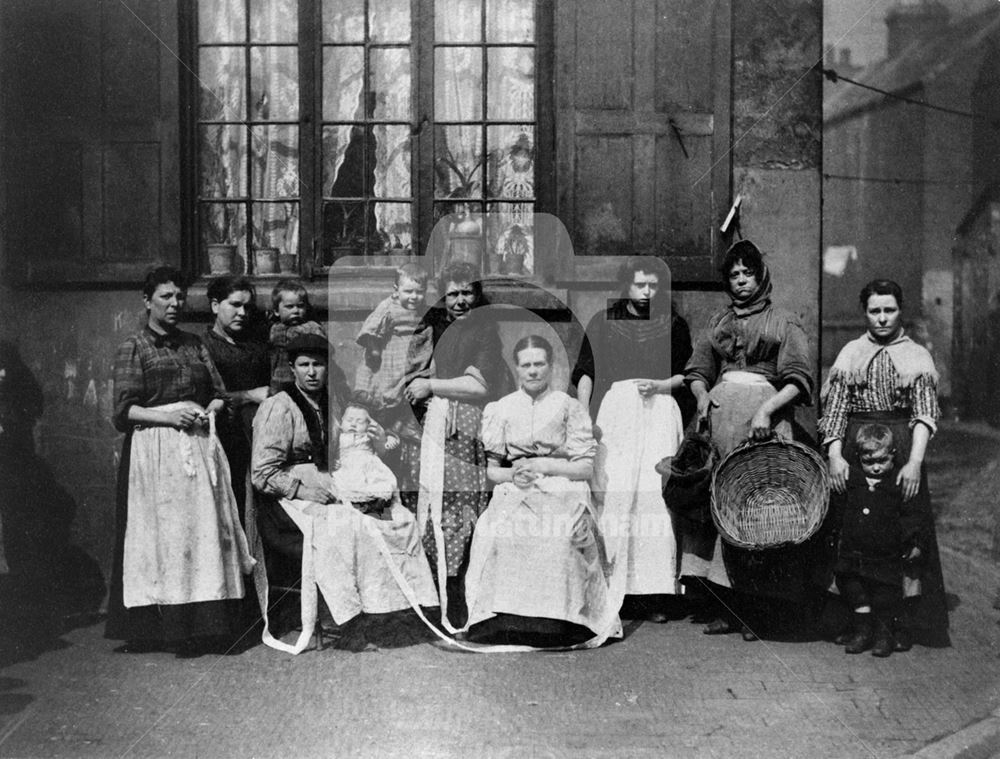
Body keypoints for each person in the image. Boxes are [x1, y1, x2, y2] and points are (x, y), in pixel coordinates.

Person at [251, 334, 438, 653]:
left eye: (318, 365)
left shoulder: (332, 403)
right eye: (304, 365)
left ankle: (390, 611)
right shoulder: (278, 406)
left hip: (330, 486)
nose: (312, 372)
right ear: (292, 369)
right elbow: (262, 473)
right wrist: (303, 490)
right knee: (346, 527)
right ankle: (350, 619)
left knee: (382, 520)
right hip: (287, 500)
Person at [105, 267, 254, 655]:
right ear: (147, 300)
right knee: (163, 539)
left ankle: (205, 626)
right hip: (155, 453)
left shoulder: (193, 343)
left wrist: (211, 408)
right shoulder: (134, 346)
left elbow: (219, 393)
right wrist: (170, 416)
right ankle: (162, 629)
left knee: (200, 537)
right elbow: (124, 412)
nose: (174, 304)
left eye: (179, 297)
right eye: (166, 297)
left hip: (199, 449)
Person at [683, 240, 815, 640]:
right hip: (719, 422)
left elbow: (798, 379)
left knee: (758, 510)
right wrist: (703, 398)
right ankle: (727, 607)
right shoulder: (718, 322)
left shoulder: (784, 321)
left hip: (761, 422)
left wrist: (766, 411)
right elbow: (697, 371)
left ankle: (760, 612)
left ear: (761, 277)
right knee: (717, 509)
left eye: (748, 274)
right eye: (734, 276)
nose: (741, 282)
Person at [462, 336, 620, 647]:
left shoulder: (568, 406)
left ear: (550, 366)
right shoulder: (502, 408)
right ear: (517, 368)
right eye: (526, 365)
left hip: (562, 484)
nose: (533, 371)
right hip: (517, 485)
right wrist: (515, 472)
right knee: (501, 533)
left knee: (560, 535)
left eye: (539, 364)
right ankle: (507, 619)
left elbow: (584, 468)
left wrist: (545, 466)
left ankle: (561, 621)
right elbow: (493, 470)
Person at [821, 278, 950, 648]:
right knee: (854, 532)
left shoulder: (917, 355)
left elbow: (925, 414)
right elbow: (836, 410)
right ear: (865, 312)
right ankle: (855, 619)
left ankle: (896, 623)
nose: (881, 318)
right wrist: (833, 456)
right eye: (874, 311)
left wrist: (914, 463)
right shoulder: (850, 353)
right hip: (854, 450)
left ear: (900, 311)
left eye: (889, 310)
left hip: (903, 448)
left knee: (903, 533)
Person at [571, 256, 691, 622]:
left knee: (654, 499)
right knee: (617, 494)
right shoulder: (603, 322)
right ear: (626, 285)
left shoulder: (673, 325)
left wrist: (659, 385)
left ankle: (653, 593)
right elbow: (586, 373)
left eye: (653, 286)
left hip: (658, 412)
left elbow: (687, 375)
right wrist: (582, 416)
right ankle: (614, 590)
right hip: (617, 414)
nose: (646, 292)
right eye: (640, 285)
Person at [402, 261, 512, 628]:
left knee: (461, 500)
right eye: (453, 293)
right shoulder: (433, 328)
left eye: (467, 293)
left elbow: (479, 387)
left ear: (477, 295)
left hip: (463, 427)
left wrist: (432, 387)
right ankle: (428, 590)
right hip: (430, 426)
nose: (461, 301)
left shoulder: (484, 330)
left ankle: (458, 588)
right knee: (425, 500)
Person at [833, 424, 923, 657]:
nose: (875, 467)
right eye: (868, 461)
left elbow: (911, 515)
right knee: (855, 589)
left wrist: (913, 542)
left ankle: (884, 634)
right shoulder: (853, 479)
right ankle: (863, 631)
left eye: (882, 461)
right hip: (854, 551)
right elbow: (839, 510)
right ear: (859, 458)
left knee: (885, 595)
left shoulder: (897, 482)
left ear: (893, 455)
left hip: (886, 554)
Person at [202, 276, 270, 525]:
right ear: (215, 306)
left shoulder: (255, 345)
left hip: (256, 437)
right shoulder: (204, 346)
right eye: (235, 305)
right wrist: (250, 395)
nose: (242, 313)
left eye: (248, 307)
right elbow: (205, 399)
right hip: (225, 436)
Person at [355, 262, 429, 418]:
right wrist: (374, 349)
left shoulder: (423, 308)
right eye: (408, 292)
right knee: (389, 386)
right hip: (393, 352)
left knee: (411, 387)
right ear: (396, 290)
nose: (414, 297)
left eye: (419, 292)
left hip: (415, 352)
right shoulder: (388, 306)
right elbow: (371, 327)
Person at [328, 396, 398, 518]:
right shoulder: (338, 436)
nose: (353, 424)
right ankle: (355, 504)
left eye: (359, 421)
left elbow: (386, 435)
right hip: (346, 468)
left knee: (379, 485)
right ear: (342, 420)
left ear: (368, 424)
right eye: (349, 420)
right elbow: (331, 451)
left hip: (368, 467)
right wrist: (332, 461)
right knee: (344, 487)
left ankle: (373, 504)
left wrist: (389, 439)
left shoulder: (368, 435)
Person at [268, 279, 328, 395]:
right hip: (278, 380)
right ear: (276, 311)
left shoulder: (311, 328)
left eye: (300, 306)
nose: (296, 311)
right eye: (289, 307)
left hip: (303, 381)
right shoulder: (275, 328)